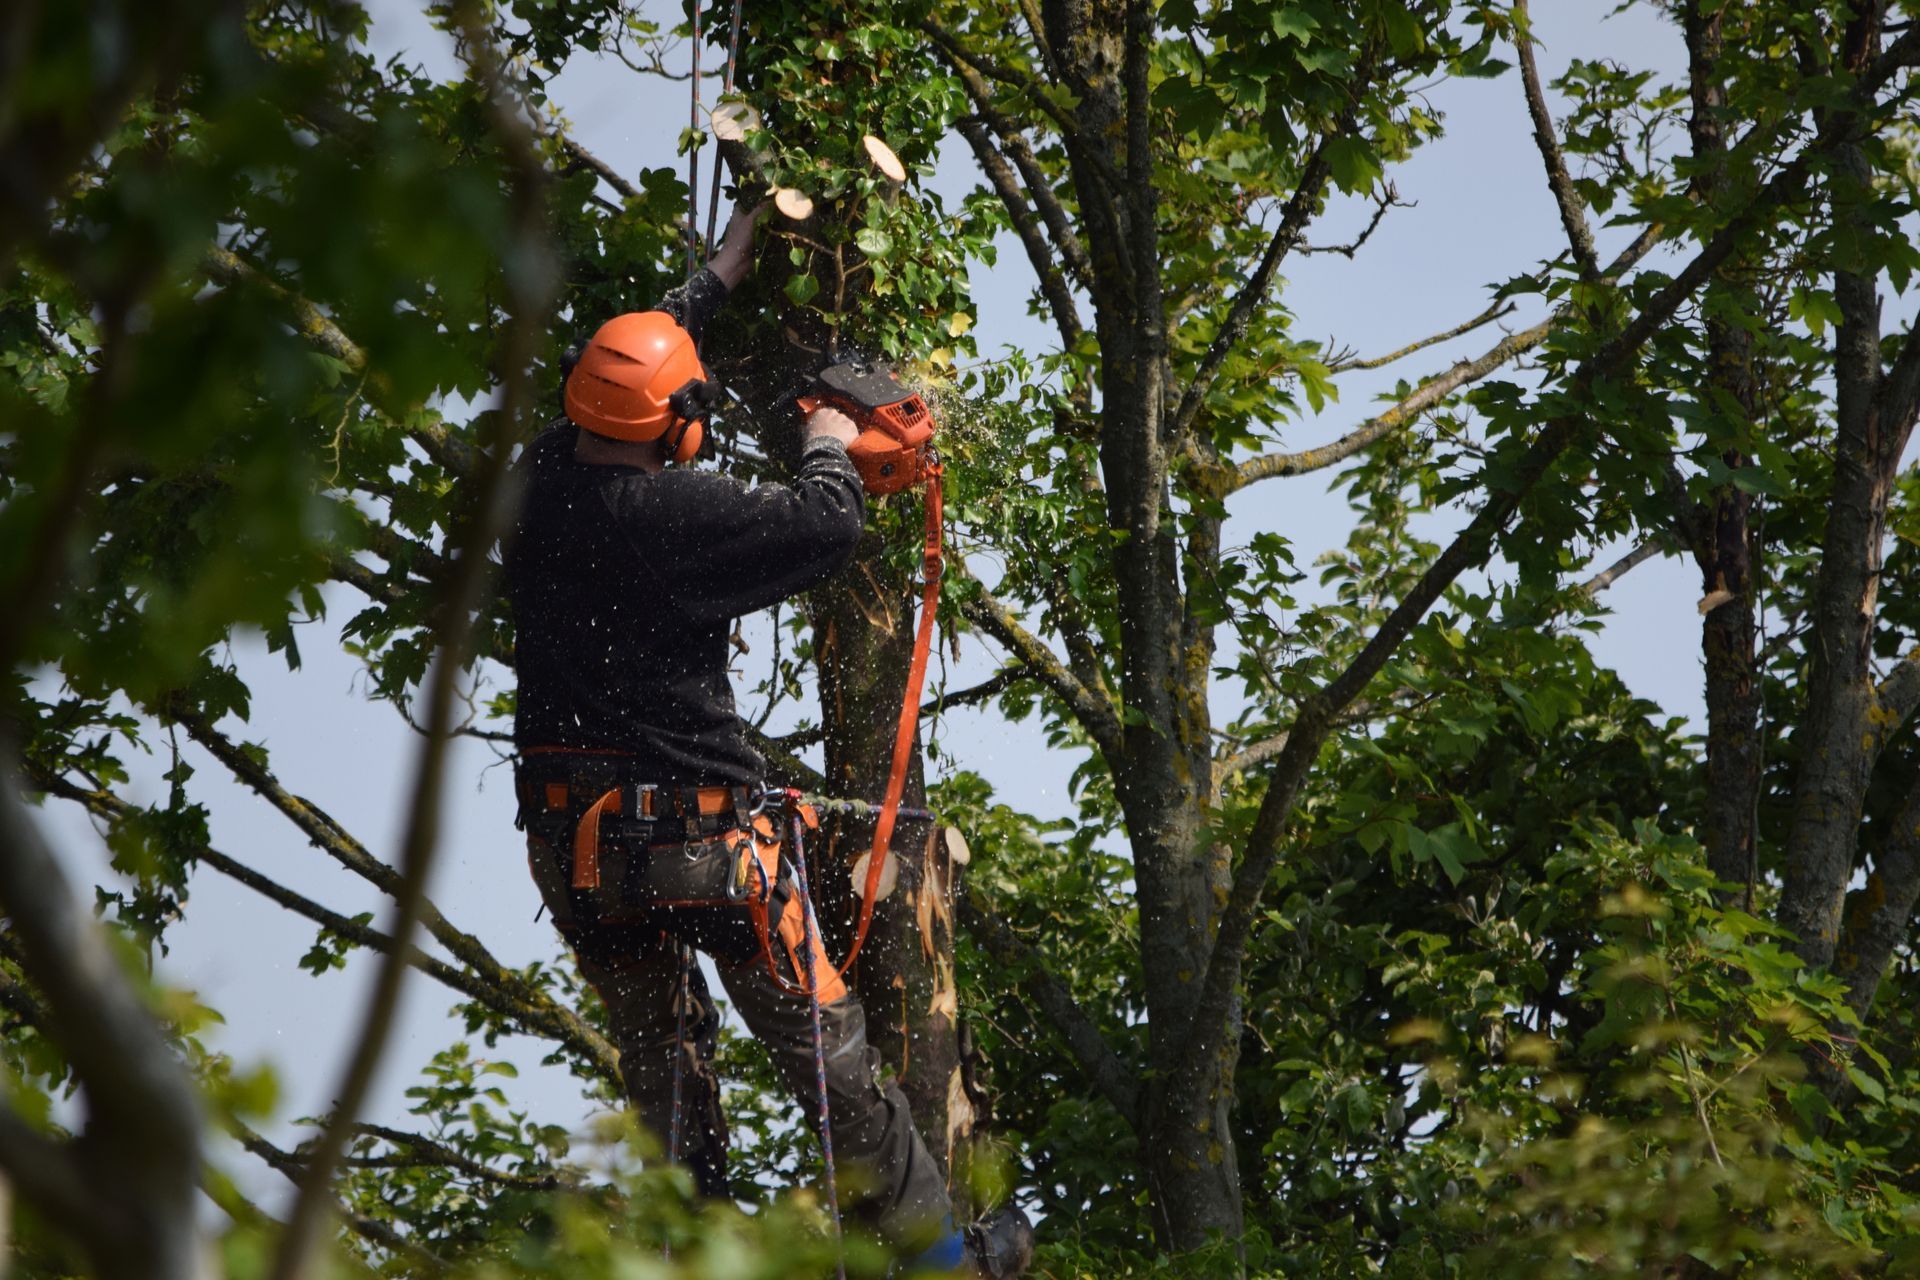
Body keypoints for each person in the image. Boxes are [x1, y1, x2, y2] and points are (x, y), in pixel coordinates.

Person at [504, 202, 1003, 1272]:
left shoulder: (539, 478)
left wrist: (722, 272)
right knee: (829, 1054)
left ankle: (697, 1255)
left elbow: (628, 367)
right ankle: (946, 1261)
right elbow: (825, 524)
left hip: (576, 852)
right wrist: (828, 442)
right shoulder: (675, 513)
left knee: (665, 1070)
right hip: (704, 847)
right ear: (675, 425)